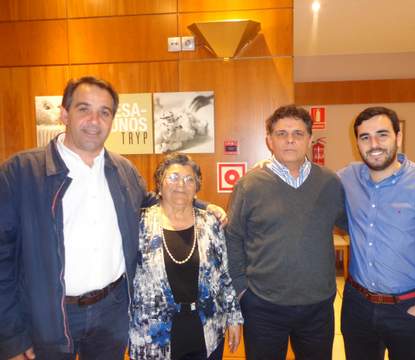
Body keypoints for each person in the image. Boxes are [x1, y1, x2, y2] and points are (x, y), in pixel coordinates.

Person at [0, 76, 226, 360]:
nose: (94, 120)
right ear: (64, 114)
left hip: (112, 311)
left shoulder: (123, 171)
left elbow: (154, 202)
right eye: (84, 109)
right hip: (49, 315)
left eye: (104, 112)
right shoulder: (20, 173)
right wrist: (10, 337)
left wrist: (202, 207)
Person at [338, 106, 415, 360]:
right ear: (357, 143)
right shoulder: (346, 178)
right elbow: (311, 185)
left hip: (410, 308)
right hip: (357, 307)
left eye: (382, 134)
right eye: (365, 137)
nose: (374, 144)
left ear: (399, 136)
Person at [225, 105, 347, 360]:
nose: (290, 139)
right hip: (262, 306)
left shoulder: (330, 182)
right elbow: (233, 237)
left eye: (298, 133)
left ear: (310, 140)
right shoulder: (249, 185)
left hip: (318, 306)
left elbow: (355, 227)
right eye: (281, 133)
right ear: (269, 140)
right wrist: (241, 290)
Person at [129, 153, 243, 360]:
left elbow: (224, 276)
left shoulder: (210, 223)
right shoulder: (139, 223)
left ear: (196, 188)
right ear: (160, 184)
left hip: (206, 330)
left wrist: (234, 318)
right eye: (173, 177)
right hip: (153, 336)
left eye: (189, 179)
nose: (181, 184)